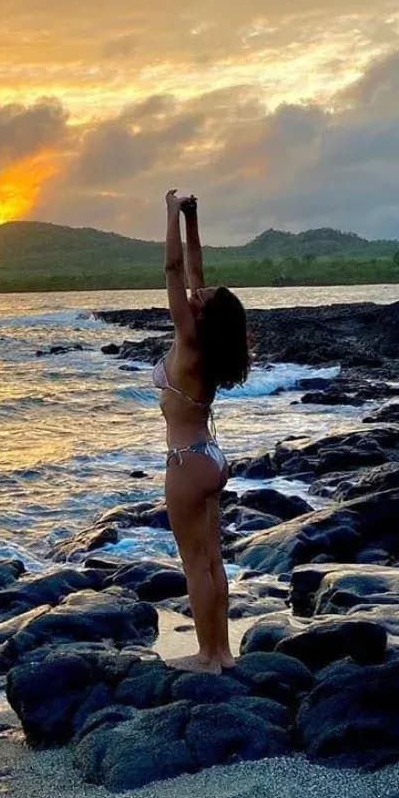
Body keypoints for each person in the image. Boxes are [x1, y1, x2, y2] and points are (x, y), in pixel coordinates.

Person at [152, 189, 250, 672]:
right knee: (213, 560)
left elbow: (173, 272)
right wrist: (194, 218)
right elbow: (193, 271)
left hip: (187, 462)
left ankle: (208, 655)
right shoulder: (209, 343)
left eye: (202, 297)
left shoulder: (189, 337)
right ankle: (224, 652)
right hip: (209, 456)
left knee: (195, 563)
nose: (196, 291)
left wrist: (169, 214)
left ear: (203, 315)